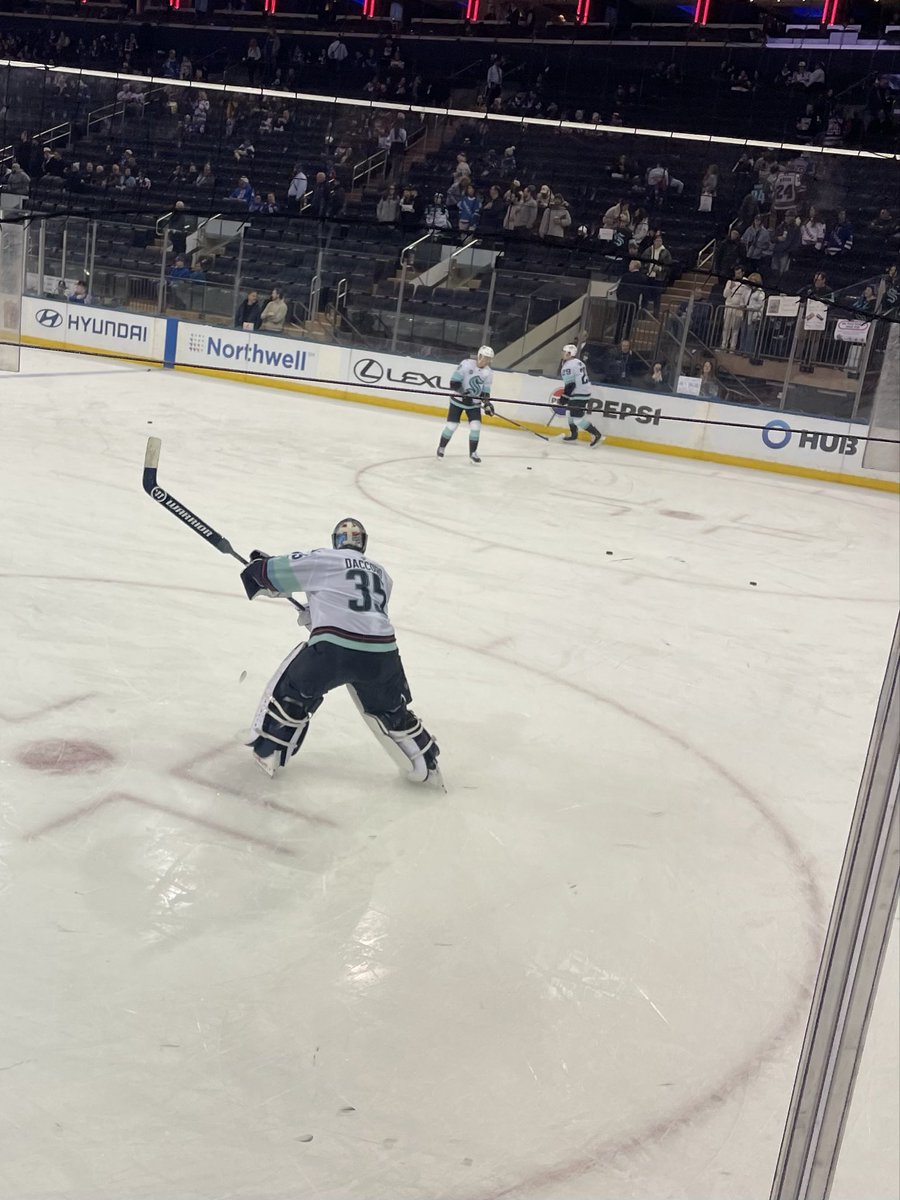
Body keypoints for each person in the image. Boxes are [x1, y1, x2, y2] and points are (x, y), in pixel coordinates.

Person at [239, 519, 440, 783]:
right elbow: (361, 609)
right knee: (392, 710)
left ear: (336, 541)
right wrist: (318, 612)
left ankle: (269, 752)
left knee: (293, 693)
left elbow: (268, 574)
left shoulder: (324, 558)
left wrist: (259, 565)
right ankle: (428, 763)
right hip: (383, 655)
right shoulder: (382, 574)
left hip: (334, 652)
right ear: (363, 543)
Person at [436, 346, 495, 464]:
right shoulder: (466, 364)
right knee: (452, 426)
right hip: (457, 401)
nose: (486, 361)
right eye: (484, 357)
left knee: (476, 427)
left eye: (488, 359)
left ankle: (473, 453)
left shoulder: (488, 372)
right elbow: (454, 383)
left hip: (474, 404)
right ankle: (441, 447)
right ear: (479, 356)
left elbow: (485, 392)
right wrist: (464, 394)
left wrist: (487, 403)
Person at [559, 344, 602, 446]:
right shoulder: (579, 362)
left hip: (579, 394)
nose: (562, 354)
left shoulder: (568, 366)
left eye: (564, 352)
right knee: (569, 413)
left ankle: (596, 434)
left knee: (577, 419)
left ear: (569, 354)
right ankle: (574, 435)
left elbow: (570, 385)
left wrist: (563, 399)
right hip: (583, 391)